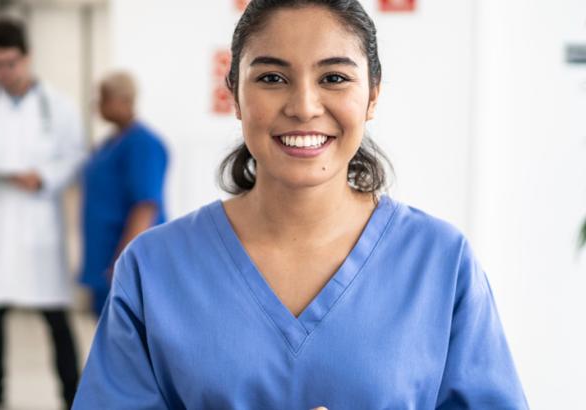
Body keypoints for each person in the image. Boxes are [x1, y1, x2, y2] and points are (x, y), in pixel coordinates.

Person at [72, 1, 529, 409]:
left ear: (372, 95)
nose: (304, 106)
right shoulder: (154, 268)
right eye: (272, 78)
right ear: (235, 94)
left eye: (334, 78)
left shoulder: (441, 262)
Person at [0, 17, 85, 410]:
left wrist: (43, 178)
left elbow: (74, 156)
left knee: (56, 317)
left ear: (28, 57)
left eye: (10, 63)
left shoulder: (57, 106)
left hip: (37, 222)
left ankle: (74, 395)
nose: (3, 73)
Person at [81, 71, 169, 317]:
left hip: (126, 260)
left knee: (129, 340)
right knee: (106, 338)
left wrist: (124, 261)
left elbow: (146, 206)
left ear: (123, 100)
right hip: (103, 255)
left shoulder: (143, 144)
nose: (96, 105)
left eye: (103, 98)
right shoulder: (110, 143)